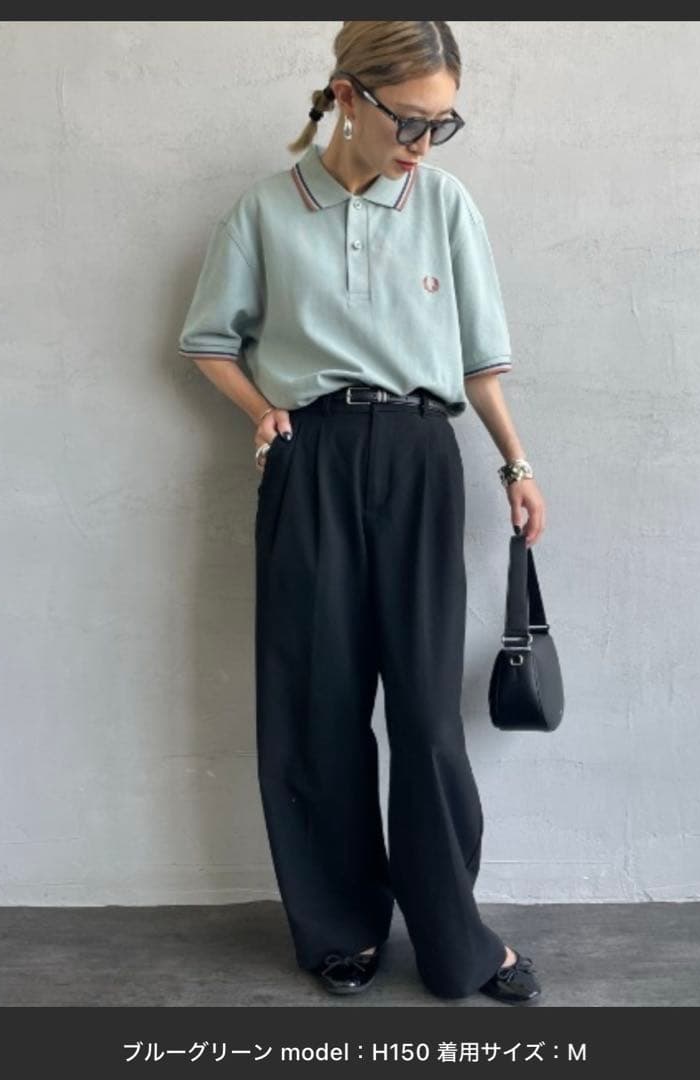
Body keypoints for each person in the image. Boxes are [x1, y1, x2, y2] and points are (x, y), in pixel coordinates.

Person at [177, 21, 547, 1005]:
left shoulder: (446, 204)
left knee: (427, 714)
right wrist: (263, 414)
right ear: (347, 97)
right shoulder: (265, 210)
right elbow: (208, 340)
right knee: (318, 705)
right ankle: (339, 927)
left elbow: (479, 360)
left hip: (423, 457)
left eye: (443, 124)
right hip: (312, 458)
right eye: (411, 121)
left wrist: (517, 463)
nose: (425, 144)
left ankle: (456, 937)